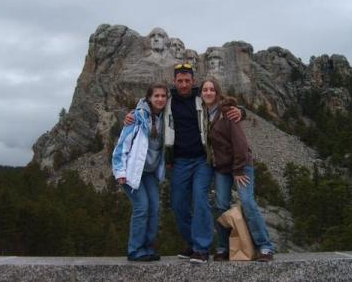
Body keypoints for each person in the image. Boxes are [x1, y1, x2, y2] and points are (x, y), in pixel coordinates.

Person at [124, 64, 242, 264]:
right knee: (178, 204)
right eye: (180, 81)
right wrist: (133, 113)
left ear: (193, 81)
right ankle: (191, 243)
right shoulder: (168, 99)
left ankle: (202, 249)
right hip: (179, 161)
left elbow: (224, 103)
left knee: (200, 200)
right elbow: (149, 101)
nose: (184, 84)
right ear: (175, 82)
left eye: (188, 81)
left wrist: (241, 111)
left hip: (202, 160)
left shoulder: (201, 97)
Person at [199, 78, 275, 262]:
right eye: (205, 90)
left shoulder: (228, 113)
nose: (208, 93)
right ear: (201, 93)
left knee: (248, 202)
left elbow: (240, 143)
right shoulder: (202, 114)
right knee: (221, 206)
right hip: (221, 168)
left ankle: (265, 247)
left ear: (217, 93)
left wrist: (239, 170)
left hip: (241, 166)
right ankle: (223, 248)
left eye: (212, 90)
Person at [112, 82, 168, 261]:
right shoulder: (137, 117)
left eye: (163, 96)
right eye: (156, 96)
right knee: (142, 207)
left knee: (154, 208)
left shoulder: (166, 118)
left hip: (151, 172)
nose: (160, 99)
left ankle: (148, 248)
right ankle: (135, 250)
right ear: (149, 98)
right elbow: (122, 144)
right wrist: (119, 172)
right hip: (132, 172)